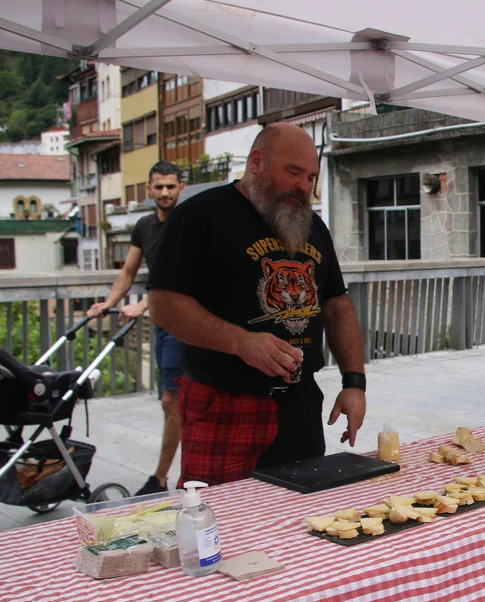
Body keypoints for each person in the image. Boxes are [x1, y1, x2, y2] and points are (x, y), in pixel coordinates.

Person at [147, 123, 366, 486]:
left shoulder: (313, 226)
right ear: (256, 162)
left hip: (299, 405)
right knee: (218, 512)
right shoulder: (200, 215)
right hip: (223, 402)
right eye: (293, 172)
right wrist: (241, 342)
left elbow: (336, 304)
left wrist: (354, 383)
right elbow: (163, 303)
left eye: (311, 177)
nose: (303, 186)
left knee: (302, 511)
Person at [86, 160, 184, 496]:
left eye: (170, 186)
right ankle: (170, 475)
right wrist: (108, 303)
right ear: (149, 189)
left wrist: (142, 306)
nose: (165, 192)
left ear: (181, 188)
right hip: (161, 323)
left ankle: (160, 478)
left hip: (185, 323)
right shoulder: (144, 225)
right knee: (171, 402)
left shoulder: (188, 222)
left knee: (172, 400)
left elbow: (179, 276)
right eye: (159, 186)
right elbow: (128, 272)